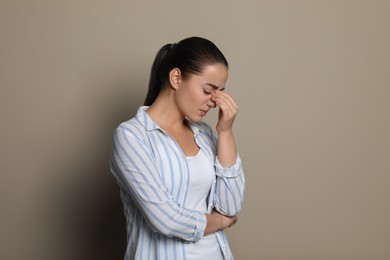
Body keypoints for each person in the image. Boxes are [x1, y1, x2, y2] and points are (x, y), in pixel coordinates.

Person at [110, 36, 245, 260]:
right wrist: (220, 221)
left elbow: (230, 206)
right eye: (208, 90)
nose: (215, 101)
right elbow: (166, 219)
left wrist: (225, 132)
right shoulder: (131, 137)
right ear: (176, 78)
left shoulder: (207, 135)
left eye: (220, 92)